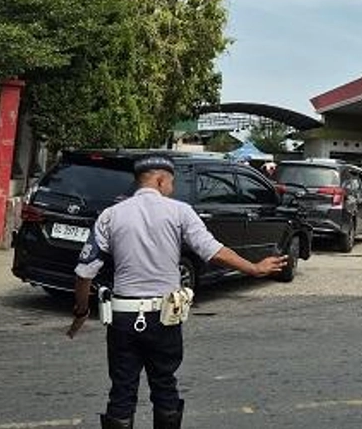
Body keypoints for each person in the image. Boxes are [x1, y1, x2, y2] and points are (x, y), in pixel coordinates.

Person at [67, 155, 288, 429]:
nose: (172, 189)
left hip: (123, 318)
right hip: (164, 318)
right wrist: (254, 268)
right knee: (164, 385)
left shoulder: (110, 215)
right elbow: (214, 251)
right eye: (172, 183)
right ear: (160, 180)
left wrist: (81, 311)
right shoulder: (180, 212)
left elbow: (84, 272)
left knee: (121, 389)